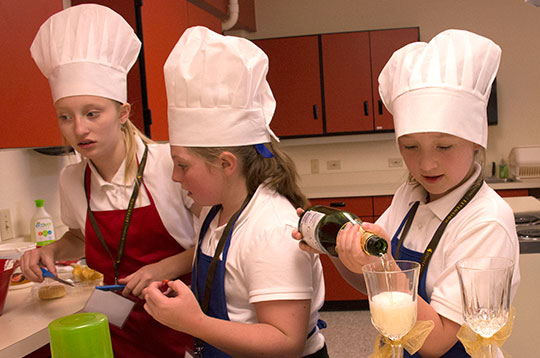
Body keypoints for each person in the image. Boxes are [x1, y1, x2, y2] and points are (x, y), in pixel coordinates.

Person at [294, 29, 520, 358]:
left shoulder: (487, 221)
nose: (426, 163)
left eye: (444, 146)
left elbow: (438, 341)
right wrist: (340, 252)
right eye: (410, 147)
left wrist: (383, 264)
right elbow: (374, 285)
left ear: (476, 142)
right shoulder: (409, 195)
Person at [20, 4, 199, 357]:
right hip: (111, 319)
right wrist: (51, 250)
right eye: (65, 117)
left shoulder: (168, 165)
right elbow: (77, 235)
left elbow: (214, 242)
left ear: (122, 113)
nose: (79, 129)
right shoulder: (71, 178)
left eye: (92, 113)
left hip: (178, 316)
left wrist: (162, 268)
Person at [142, 26, 327, 358]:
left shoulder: (271, 227)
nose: (174, 176)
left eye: (182, 165)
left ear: (226, 163)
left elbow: (286, 341)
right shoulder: (214, 211)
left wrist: (193, 322)